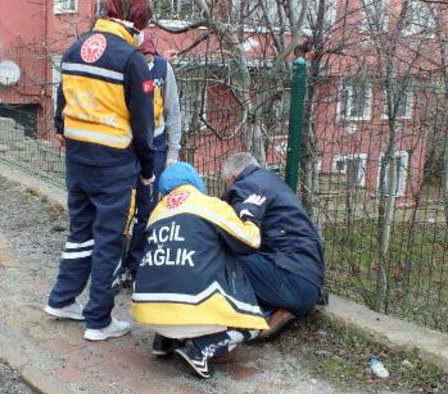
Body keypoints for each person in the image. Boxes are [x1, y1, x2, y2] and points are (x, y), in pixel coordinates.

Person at [44, 0, 156, 342]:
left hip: (78, 158)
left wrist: (66, 131)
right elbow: (144, 124)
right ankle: (99, 320)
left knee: (80, 232)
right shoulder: (131, 59)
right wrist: (148, 169)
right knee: (110, 239)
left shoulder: (75, 50)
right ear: (137, 19)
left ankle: (62, 299)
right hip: (115, 164)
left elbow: (62, 105)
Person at [132, 163, 269, 379]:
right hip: (192, 314)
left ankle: (164, 340)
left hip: (150, 313)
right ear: (195, 182)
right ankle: (201, 347)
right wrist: (251, 215)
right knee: (253, 325)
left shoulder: (156, 213)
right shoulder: (209, 205)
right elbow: (250, 242)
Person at [221, 152, 324, 337]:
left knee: (216, 257)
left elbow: (235, 235)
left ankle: (249, 319)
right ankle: (275, 310)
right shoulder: (273, 183)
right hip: (310, 283)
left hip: (289, 278)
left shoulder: (244, 186)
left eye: (225, 184)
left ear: (233, 177)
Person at [122, 34, 181, 282]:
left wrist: (173, 151)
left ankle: (135, 265)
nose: (145, 61)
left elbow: (173, 111)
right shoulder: (124, 66)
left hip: (155, 144)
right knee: (123, 206)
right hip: (126, 145)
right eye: (141, 56)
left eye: (149, 56)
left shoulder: (161, 68)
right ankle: (115, 263)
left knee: (146, 206)